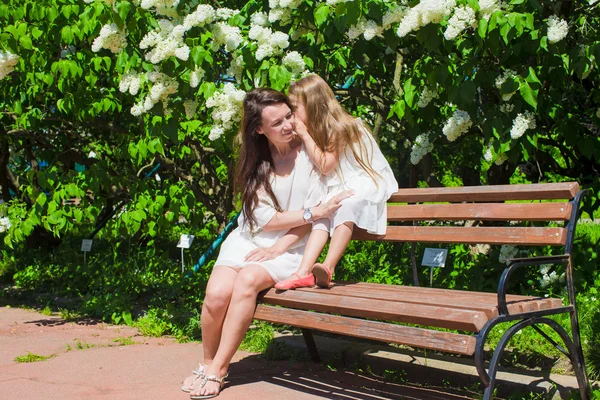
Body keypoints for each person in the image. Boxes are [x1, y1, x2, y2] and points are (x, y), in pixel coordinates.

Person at [181, 88, 352, 399]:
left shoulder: (309, 155)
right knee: (216, 295)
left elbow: (312, 221)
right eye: (277, 123)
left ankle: (219, 369)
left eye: (289, 116)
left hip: (291, 246)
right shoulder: (255, 161)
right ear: (259, 129)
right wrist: (311, 212)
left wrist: (282, 245)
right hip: (249, 239)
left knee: (247, 280)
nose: (288, 125)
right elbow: (264, 218)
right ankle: (206, 362)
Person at [275, 74, 399, 290]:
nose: (292, 116)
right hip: (337, 183)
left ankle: (328, 267)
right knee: (323, 213)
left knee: (344, 206)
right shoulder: (314, 129)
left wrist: (303, 134)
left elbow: (325, 165)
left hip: (360, 180)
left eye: (295, 108)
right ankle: (302, 272)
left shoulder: (341, 127)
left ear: (312, 105)